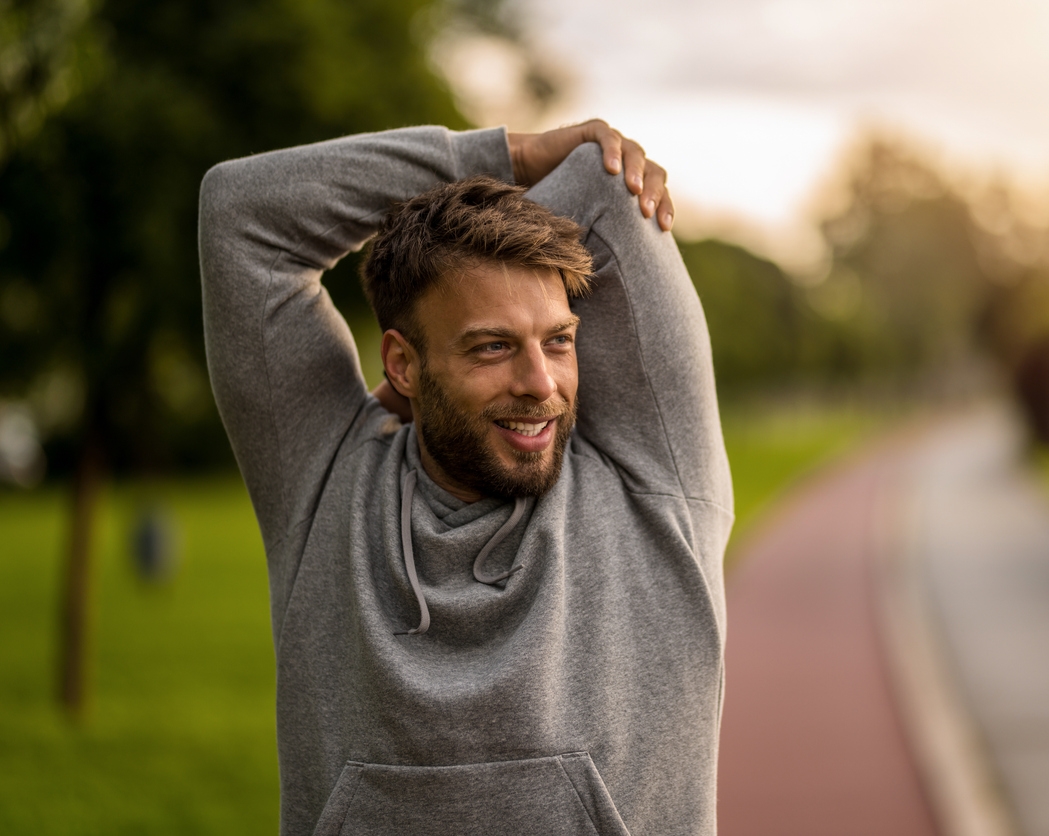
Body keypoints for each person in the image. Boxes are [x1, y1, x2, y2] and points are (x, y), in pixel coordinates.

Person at [198, 120, 733, 835]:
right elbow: (239, 210)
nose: (541, 383)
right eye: (492, 347)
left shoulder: (655, 482)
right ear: (402, 364)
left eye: (559, 340)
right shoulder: (323, 477)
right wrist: (504, 157)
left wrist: (512, 194)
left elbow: (601, 182)